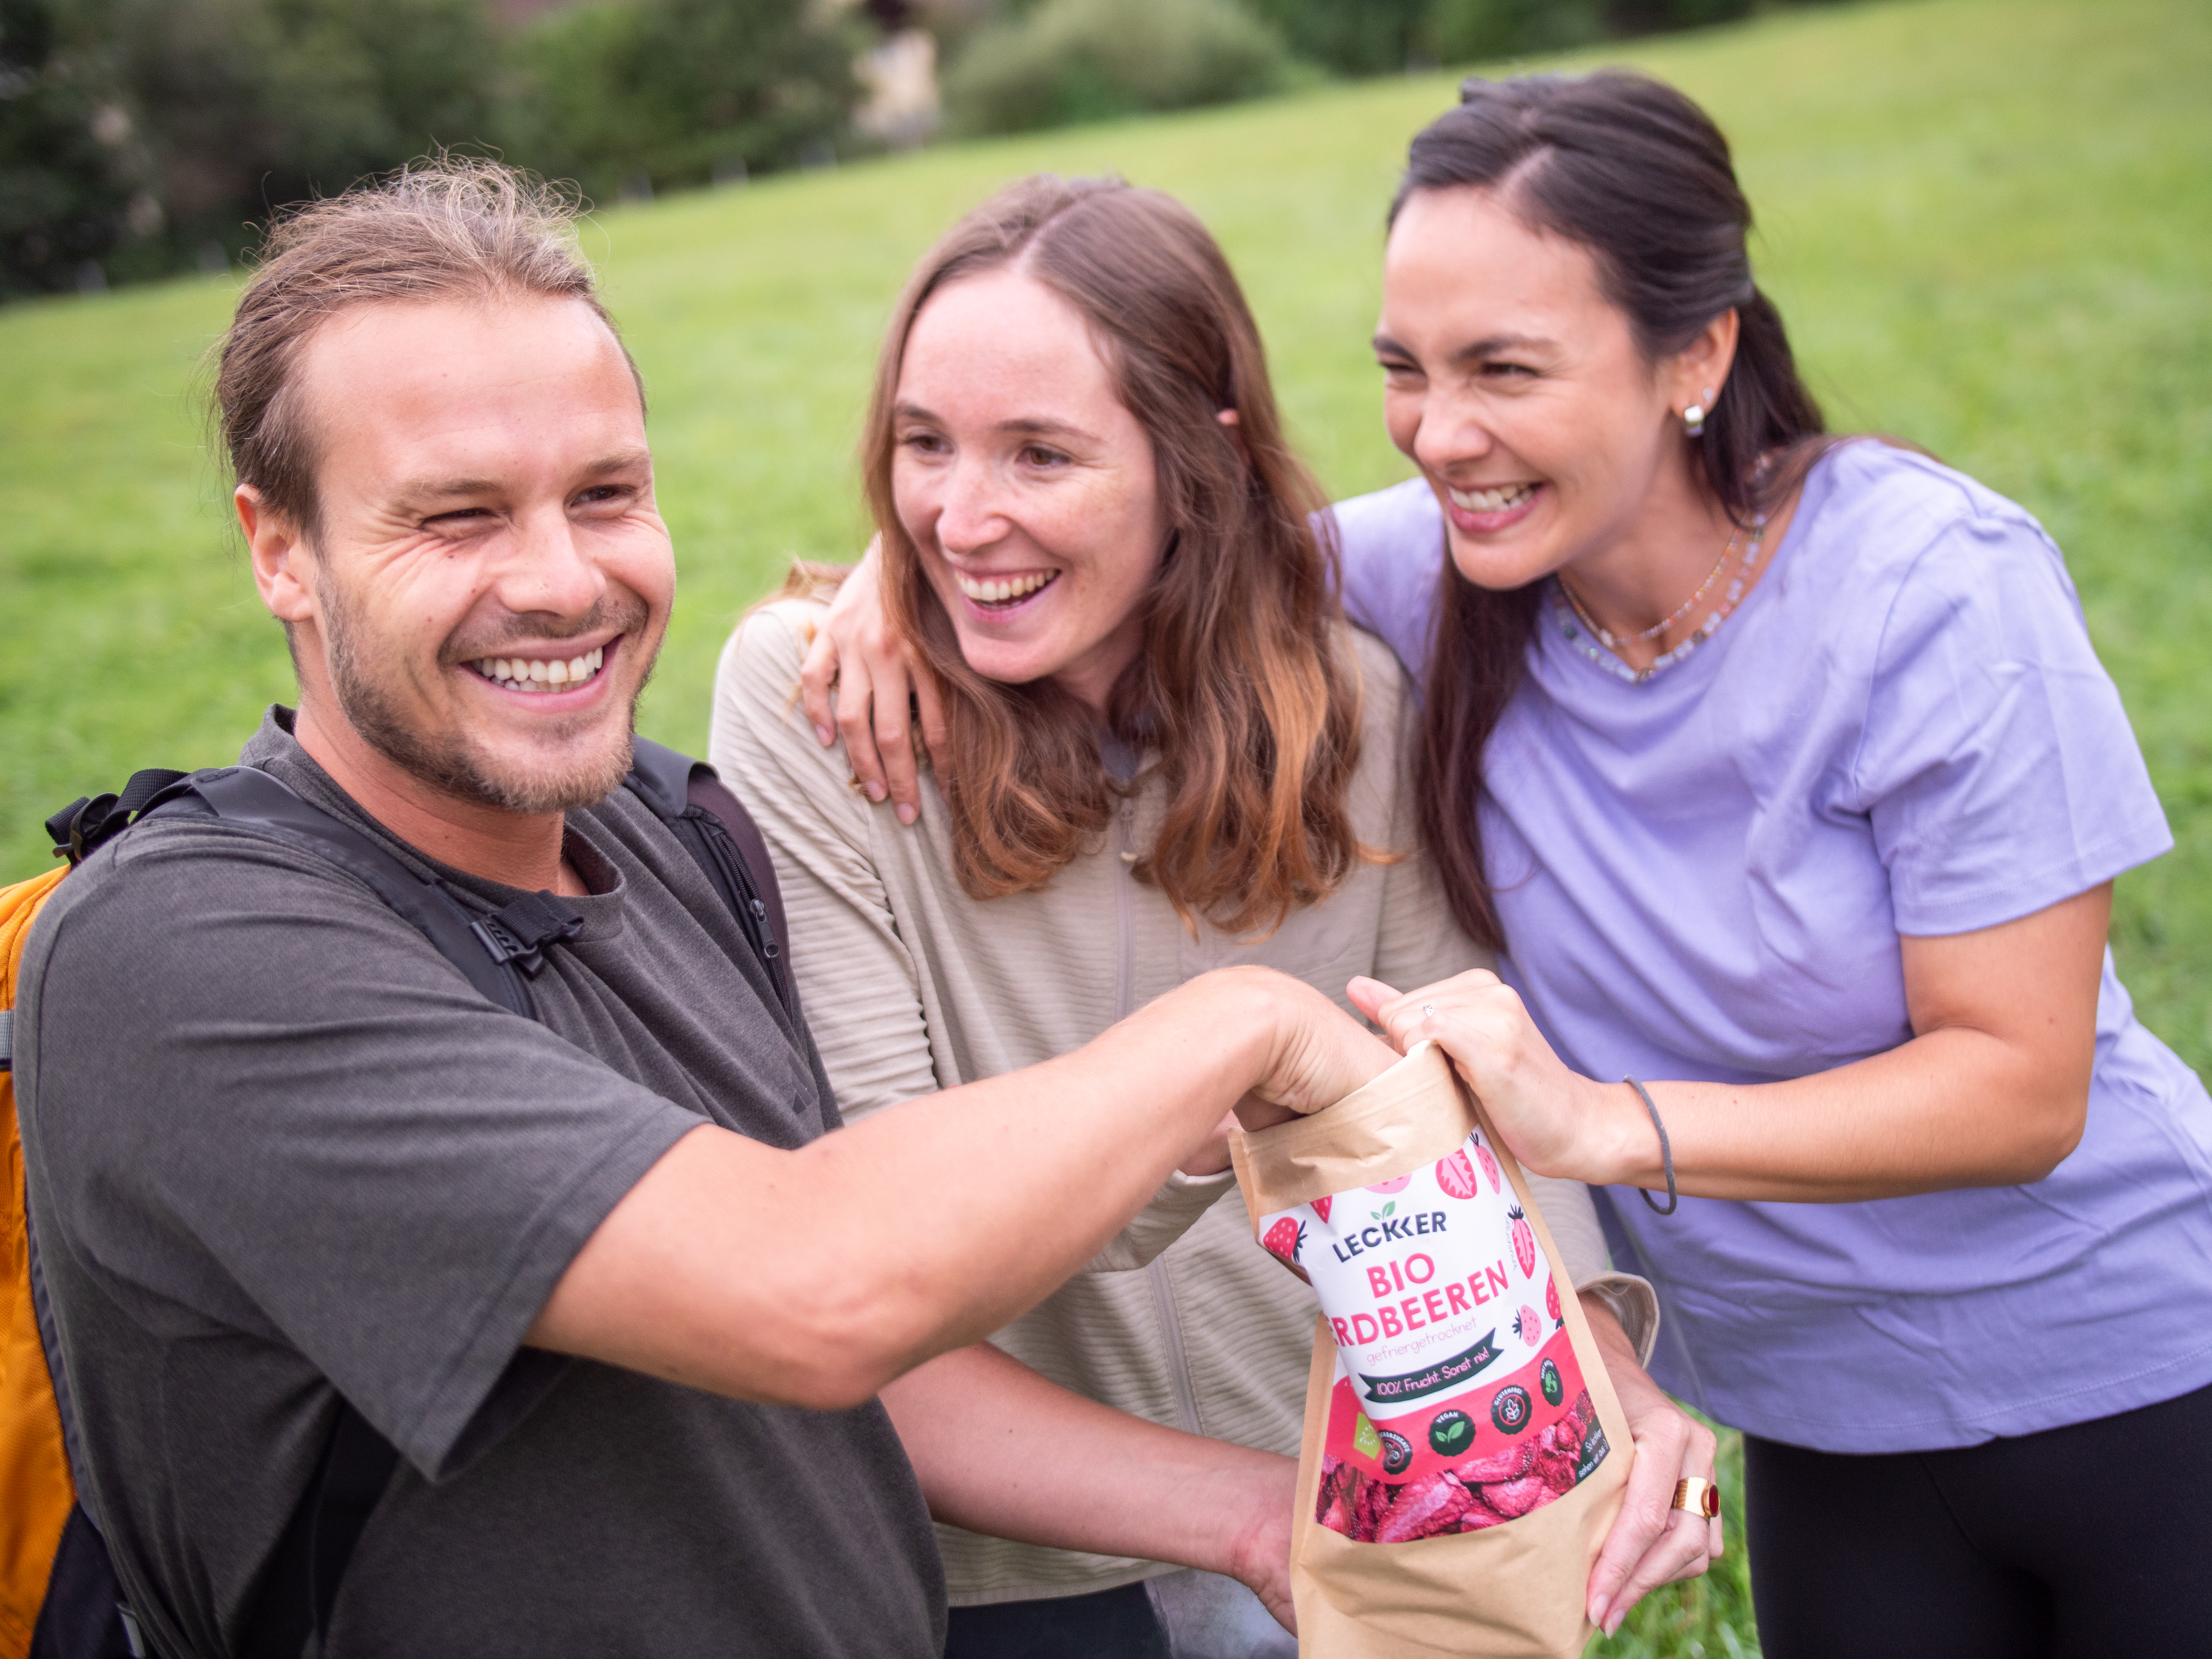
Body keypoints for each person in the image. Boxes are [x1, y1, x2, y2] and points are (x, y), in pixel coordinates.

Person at [796, 76, 2212, 1658]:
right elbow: (1157, 531)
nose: (1441, 433)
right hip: (1825, 1427)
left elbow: (2024, 1091)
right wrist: (898, 569)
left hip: (2129, 1374)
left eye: (1505, 370)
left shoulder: (1930, 590)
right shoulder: (1442, 569)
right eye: (1406, 370)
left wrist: (1608, 1127)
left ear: (1699, 352)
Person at [12, 159, 1406, 1659]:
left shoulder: (671, 841)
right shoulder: (189, 956)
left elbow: (890, 1362)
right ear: (279, 547)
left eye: (605, 494)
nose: (559, 581)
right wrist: (1250, 1022)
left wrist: (1267, 1517)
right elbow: (824, 1290)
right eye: (455, 517)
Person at [718, 173, 1715, 1657]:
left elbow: (1466, 1102)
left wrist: (1601, 1365)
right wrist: (1201, 1116)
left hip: (1352, 1484)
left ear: (1198, 460)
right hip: (1014, 1553)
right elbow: (898, 1216)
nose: (958, 514)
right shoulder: (823, 709)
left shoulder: (1351, 701)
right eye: (923, 446)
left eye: (1041, 454)